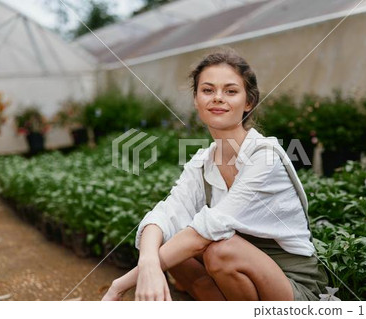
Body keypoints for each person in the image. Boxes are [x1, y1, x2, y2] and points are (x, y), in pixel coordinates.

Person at [101, 48, 328, 301]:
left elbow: (205, 233)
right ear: (196, 100)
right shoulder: (202, 162)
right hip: (240, 277)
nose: (218, 98)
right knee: (172, 243)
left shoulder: (265, 156)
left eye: (230, 91)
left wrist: (121, 285)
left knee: (220, 251)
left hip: (293, 286)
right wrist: (149, 263)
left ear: (248, 102)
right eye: (208, 90)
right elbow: (164, 215)